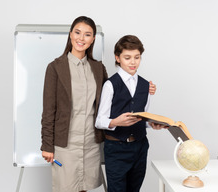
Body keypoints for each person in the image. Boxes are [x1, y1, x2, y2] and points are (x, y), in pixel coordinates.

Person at [40, 16, 157, 192]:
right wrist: (47, 145)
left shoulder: (97, 68)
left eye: (87, 34)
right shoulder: (55, 67)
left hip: (91, 142)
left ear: (93, 39)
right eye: (77, 32)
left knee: (84, 188)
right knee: (65, 188)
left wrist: (144, 88)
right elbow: (48, 110)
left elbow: (115, 98)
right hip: (66, 143)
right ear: (70, 34)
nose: (81, 38)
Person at [95, 35, 167, 192]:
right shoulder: (110, 85)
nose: (133, 62)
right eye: (127, 58)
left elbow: (142, 116)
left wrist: (152, 124)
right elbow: (99, 120)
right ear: (118, 58)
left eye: (137, 57)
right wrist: (115, 122)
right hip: (116, 148)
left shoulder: (146, 85)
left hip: (140, 147)